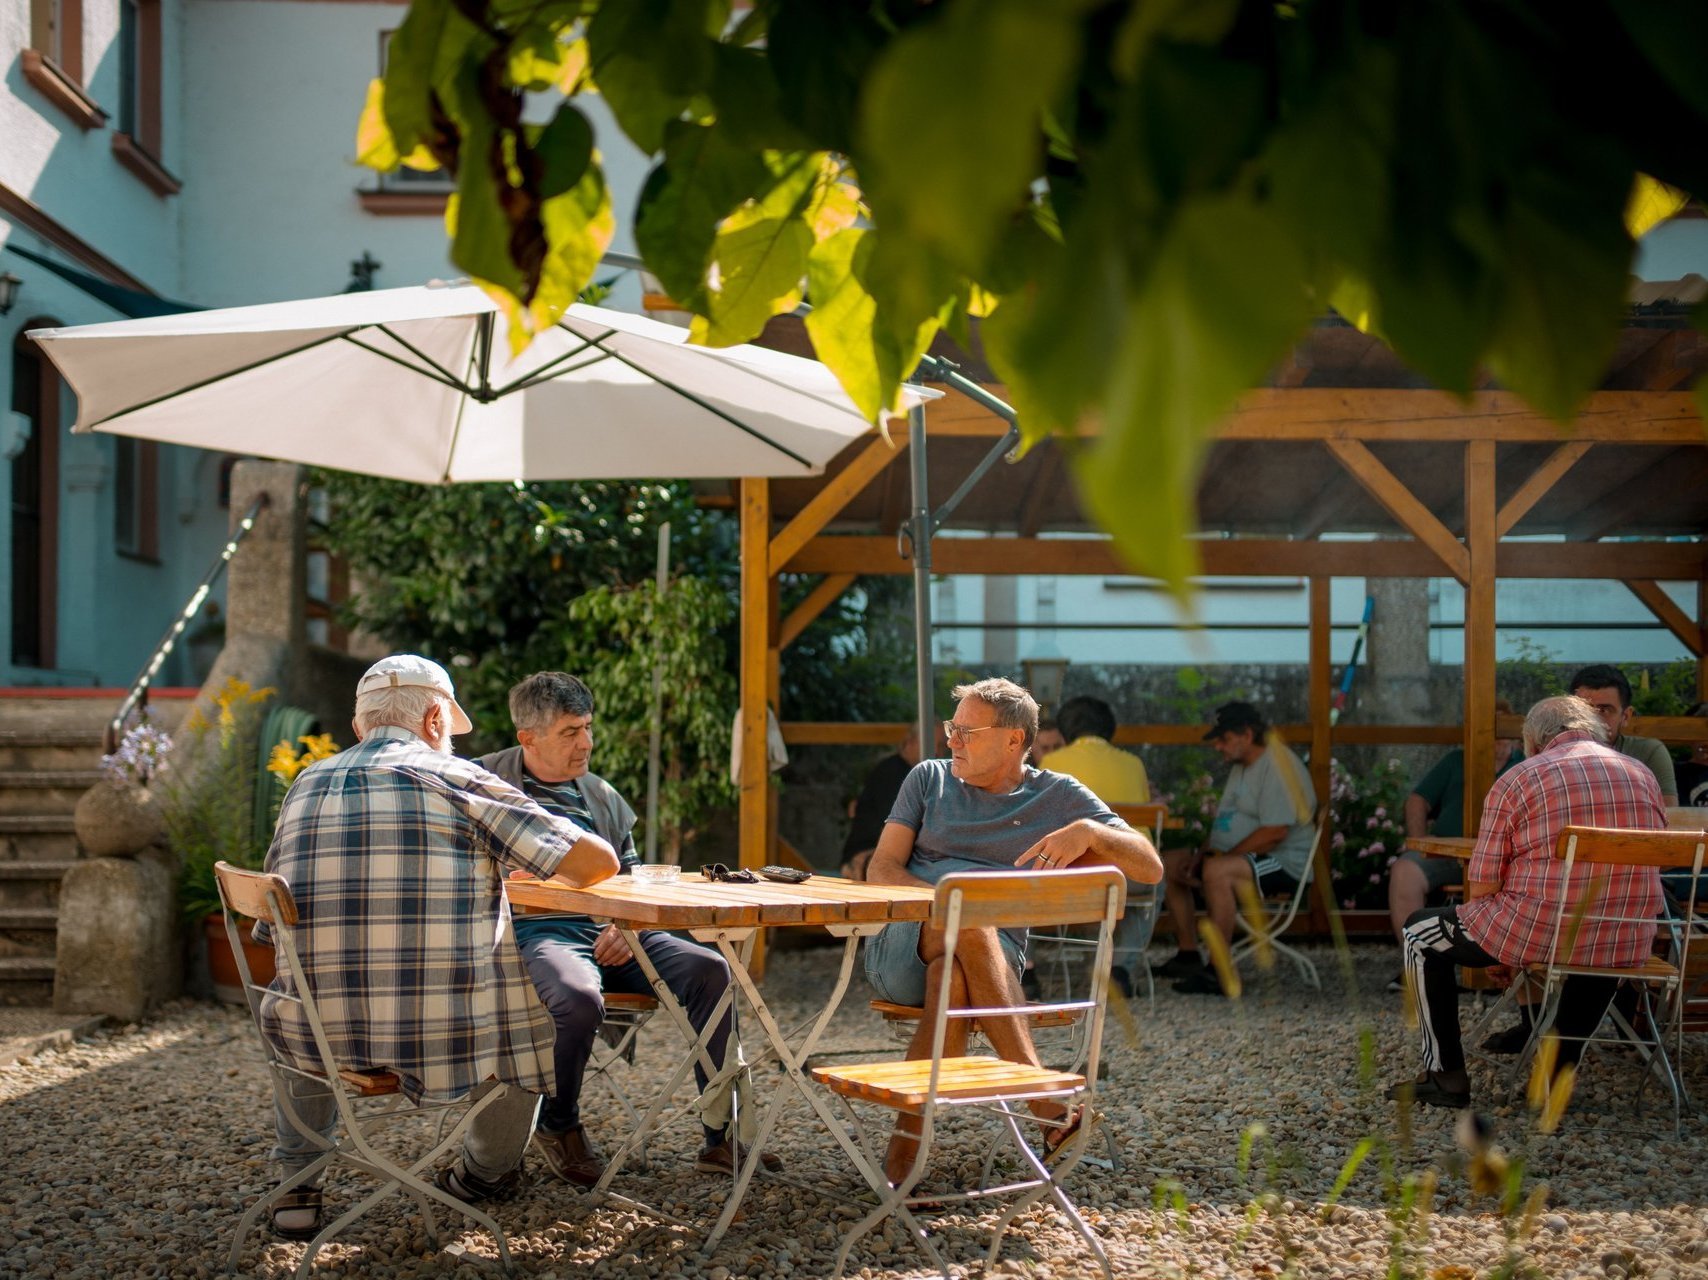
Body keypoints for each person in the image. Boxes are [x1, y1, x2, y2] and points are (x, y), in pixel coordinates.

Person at [255, 655, 620, 1238]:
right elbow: (597, 863)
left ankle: (298, 1183)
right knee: (532, 1019)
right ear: (433, 720)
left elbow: (272, 921)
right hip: (443, 1036)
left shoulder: (306, 783)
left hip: (316, 1037)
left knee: (302, 992)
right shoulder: (462, 780)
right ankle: (482, 1176)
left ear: (360, 728)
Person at [863, 677, 1163, 1187]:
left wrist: (1091, 831)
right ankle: (1045, 1102)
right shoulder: (927, 779)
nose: (951, 741)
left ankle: (901, 1167)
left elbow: (1151, 868)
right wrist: (947, 906)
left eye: (966, 731)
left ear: (1013, 740)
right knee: (969, 914)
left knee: (952, 979)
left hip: (990, 964)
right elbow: (882, 869)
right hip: (904, 944)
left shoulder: (1059, 795)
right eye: (951, 729)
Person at [478, 671, 773, 1186]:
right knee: (576, 997)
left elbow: (632, 878)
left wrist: (628, 923)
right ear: (528, 738)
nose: (587, 743)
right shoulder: (482, 785)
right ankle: (558, 1123)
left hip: (617, 932)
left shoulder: (602, 795)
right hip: (534, 933)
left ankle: (720, 1135)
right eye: (570, 732)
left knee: (712, 970)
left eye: (588, 727)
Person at [1385, 695, 1665, 1109]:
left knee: (1418, 933)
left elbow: (1482, 885)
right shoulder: (1642, 775)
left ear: (1533, 742)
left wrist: (1499, 949)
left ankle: (1445, 1076)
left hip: (1538, 930)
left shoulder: (1521, 777)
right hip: (1626, 937)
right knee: (1600, 939)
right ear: (1597, 730)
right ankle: (1554, 1076)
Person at [1161, 701, 1318, 997]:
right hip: (1241, 857)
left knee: (1219, 872)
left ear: (1246, 735)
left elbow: (1275, 832)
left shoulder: (1278, 766)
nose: (1217, 746)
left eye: (1223, 739)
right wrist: (1200, 857)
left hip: (1282, 861)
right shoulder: (1242, 765)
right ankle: (1188, 954)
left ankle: (1220, 971)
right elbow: (1224, 822)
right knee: (1169, 863)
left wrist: (1219, 859)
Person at [1386, 699, 1522, 986]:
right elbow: (1417, 800)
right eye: (1490, 730)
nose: (1496, 739)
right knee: (1405, 871)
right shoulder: (1456, 761)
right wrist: (1420, 841)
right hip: (1448, 853)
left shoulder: (1525, 765)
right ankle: (1416, 966)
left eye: (1501, 729)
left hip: (1506, 860)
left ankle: (1503, 970)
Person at [1040, 694, 1153, 996]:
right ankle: (1121, 967)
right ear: (1110, 729)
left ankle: (1082, 965)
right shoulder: (1134, 764)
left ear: (1064, 732)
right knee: (1153, 887)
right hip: (1135, 875)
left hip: (1077, 877)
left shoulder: (1051, 763)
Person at [840, 722, 944, 881]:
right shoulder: (891, 773)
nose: (936, 751)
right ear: (909, 742)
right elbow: (892, 829)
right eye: (929, 743)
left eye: (941, 745)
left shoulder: (928, 777)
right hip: (866, 855)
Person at [1569, 664, 1678, 805]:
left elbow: (1669, 815)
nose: (1592, 719)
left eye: (1604, 710)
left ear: (1625, 716)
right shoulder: (1549, 755)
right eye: (1584, 710)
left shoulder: (1647, 752)